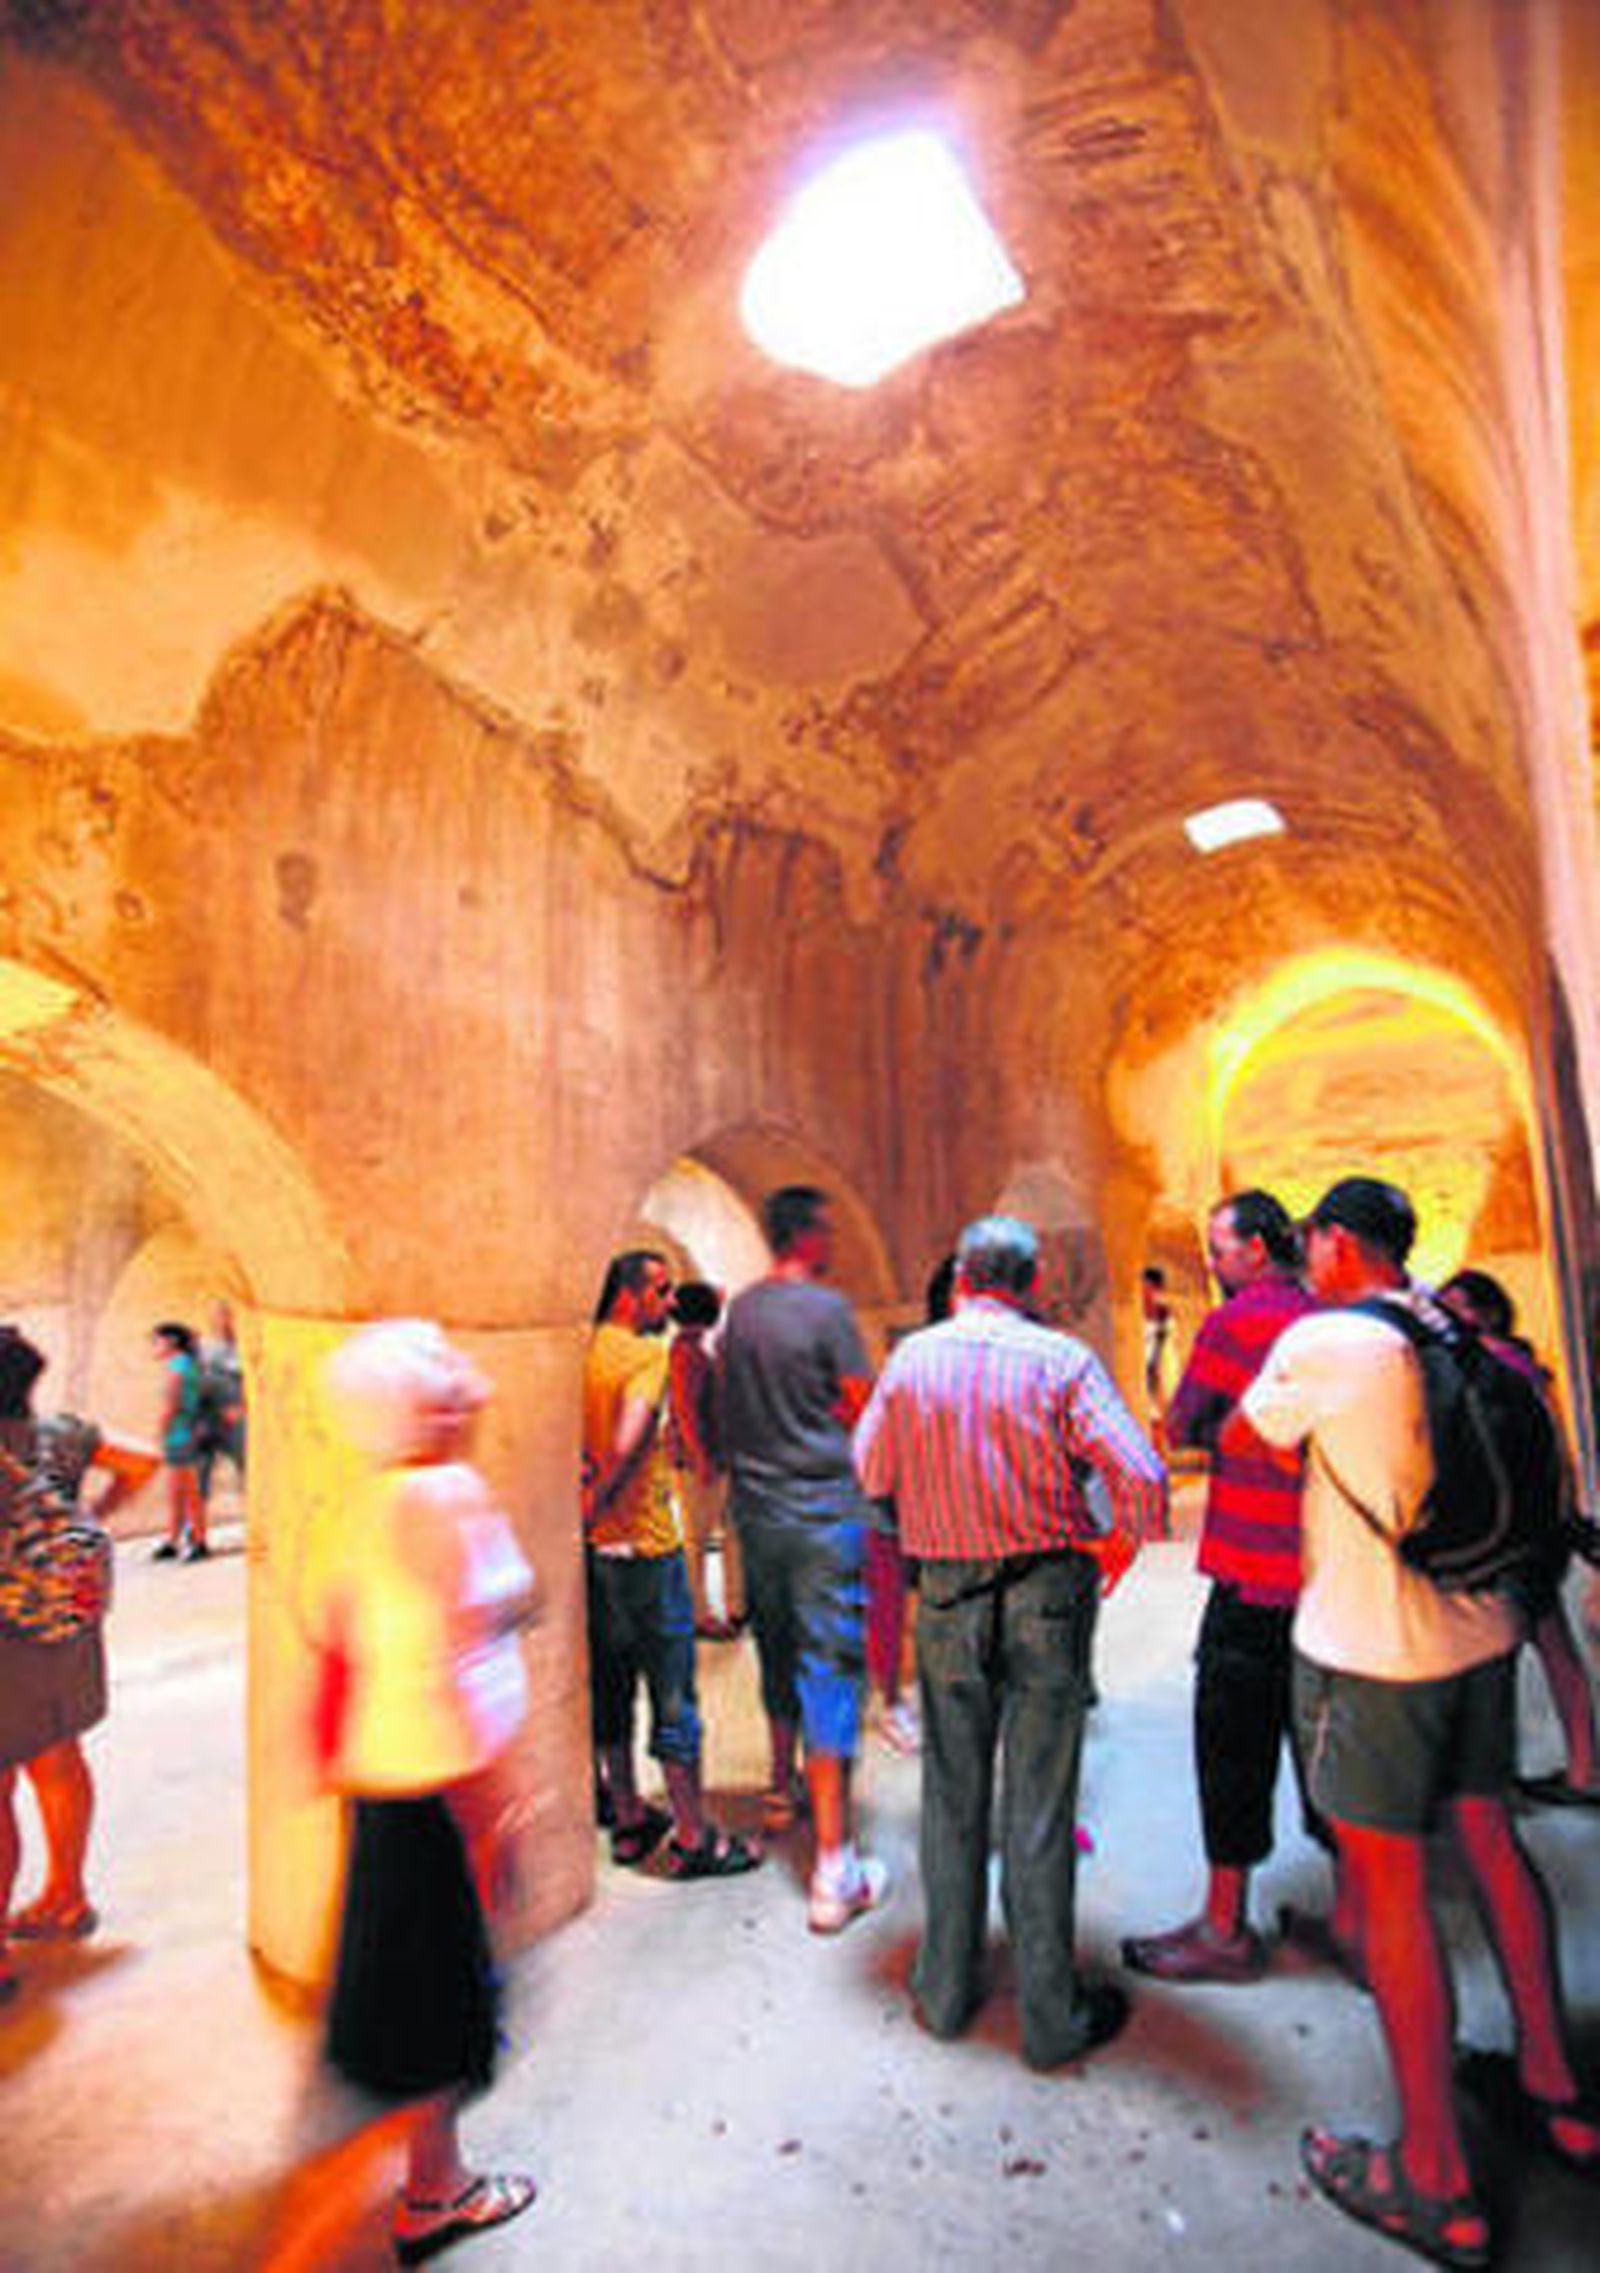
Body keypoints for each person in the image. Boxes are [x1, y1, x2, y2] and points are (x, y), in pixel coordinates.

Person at [1237, 1178, 1600, 2268]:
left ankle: (1435, 2176)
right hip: (1481, 1631)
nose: (1305, 1254)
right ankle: (1556, 2090)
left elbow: (1254, 1440)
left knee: (1389, 1886)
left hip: (1372, 1653)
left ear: (1338, 1243)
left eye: (1311, 1239)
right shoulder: (1453, 1322)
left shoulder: (1326, 1341)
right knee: (1492, 1837)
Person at [854, 1215, 1167, 2069]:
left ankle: (944, 1988)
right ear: (1029, 1284)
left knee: (952, 1793)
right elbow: (1142, 1476)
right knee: (1039, 1800)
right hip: (1046, 1594)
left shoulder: (912, 1361)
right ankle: (1051, 2014)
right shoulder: (1062, 1360)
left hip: (948, 1597)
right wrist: (1111, 1552)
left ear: (961, 1278)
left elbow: (871, 1471)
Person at [266, 1320, 538, 2269]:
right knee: (445, 1998)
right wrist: (493, 1810)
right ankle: (434, 2191)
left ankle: (428, 2174)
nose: (471, 1396)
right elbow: (452, 1666)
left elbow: (337, 1640)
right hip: (437, 1785)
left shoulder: (370, 1498)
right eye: (448, 1389)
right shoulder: (442, 1496)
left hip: (386, 1780)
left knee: (419, 1989)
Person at [1123, 1190, 1333, 1986]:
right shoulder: (1327, 1317)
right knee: (1328, 1747)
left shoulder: (1234, 1322)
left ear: (1256, 1249)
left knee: (1232, 1749)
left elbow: (1181, 1423)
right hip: (1328, 1576)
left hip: (1252, 1568)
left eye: (1219, 1247)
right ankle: (1358, 1917)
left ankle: (1224, 1925)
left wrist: (1227, 1436)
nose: (1212, 1262)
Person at [719, 1185, 884, 1932]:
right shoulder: (827, 1311)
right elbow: (860, 1403)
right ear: (809, 1236)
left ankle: (780, 1791)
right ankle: (834, 1865)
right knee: (830, 1670)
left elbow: (724, 1407)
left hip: (758, 1511)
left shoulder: (742, 1313)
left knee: (776, 1649)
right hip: (822, 1512)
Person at [582, 1253, 759, 1878]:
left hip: (596, 1554)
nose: (668, 1301)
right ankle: (691, 1836)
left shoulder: (582, 1350)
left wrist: (583, 1517)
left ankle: (630, 1819)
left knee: (610, 1689)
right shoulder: (647, 1356)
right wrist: (594, 1503)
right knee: (674, 1694)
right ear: (629, 1295)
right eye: (660, 1290)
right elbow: (627, 1446)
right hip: (645, 1546)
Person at [1, 1326, 153, 1997]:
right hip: (65, 1627)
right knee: (59, 1758)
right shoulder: (60, 1435)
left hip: (7, 1639)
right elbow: (144, 1460)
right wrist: (91, 1511)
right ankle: (66, 1895)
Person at [1437, 1267, 1600, 1808]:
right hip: (1539, 1531)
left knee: (1500, 1660)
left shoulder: (1490, 1366)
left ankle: (1499, 1782)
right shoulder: (1522, 1363)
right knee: (1553, 1648)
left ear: (1488, 1312)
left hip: (1518, 1537)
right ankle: (1581, 1770)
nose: (1450, 1315)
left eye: (1459, 1305)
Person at [668, 1279, 742, 1640]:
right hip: (700, 1461)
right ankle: (698, 1614)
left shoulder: (696, 1347)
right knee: (696, 1541)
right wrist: (701, 1458)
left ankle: (736, 1606)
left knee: (731, 1533)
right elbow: (685, 1412)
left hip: (717, 1456)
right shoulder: (686, 1353)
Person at [151, 1319, 207, 1561]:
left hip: (179, 1435)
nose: (153, 1347)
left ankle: (197, 1540)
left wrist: (159, 1433)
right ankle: (174, 1540)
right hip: (187, 1433)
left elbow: (171, 1406)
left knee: (185, 1492)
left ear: (171, 1342)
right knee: (179, 1491)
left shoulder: (177, 1368)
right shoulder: (189, 1365)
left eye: (156, 1341)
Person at [194, 1299, 247, 1518]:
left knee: (249, 1469)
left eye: (226, 1315)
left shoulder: (243, 1347)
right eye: (217, 1315)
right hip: (207, 1418)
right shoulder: (203, 1347)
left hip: (236, 1419)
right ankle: (193, 1530)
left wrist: (242, 1406)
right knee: (199, 1476)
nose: (222, 1320)